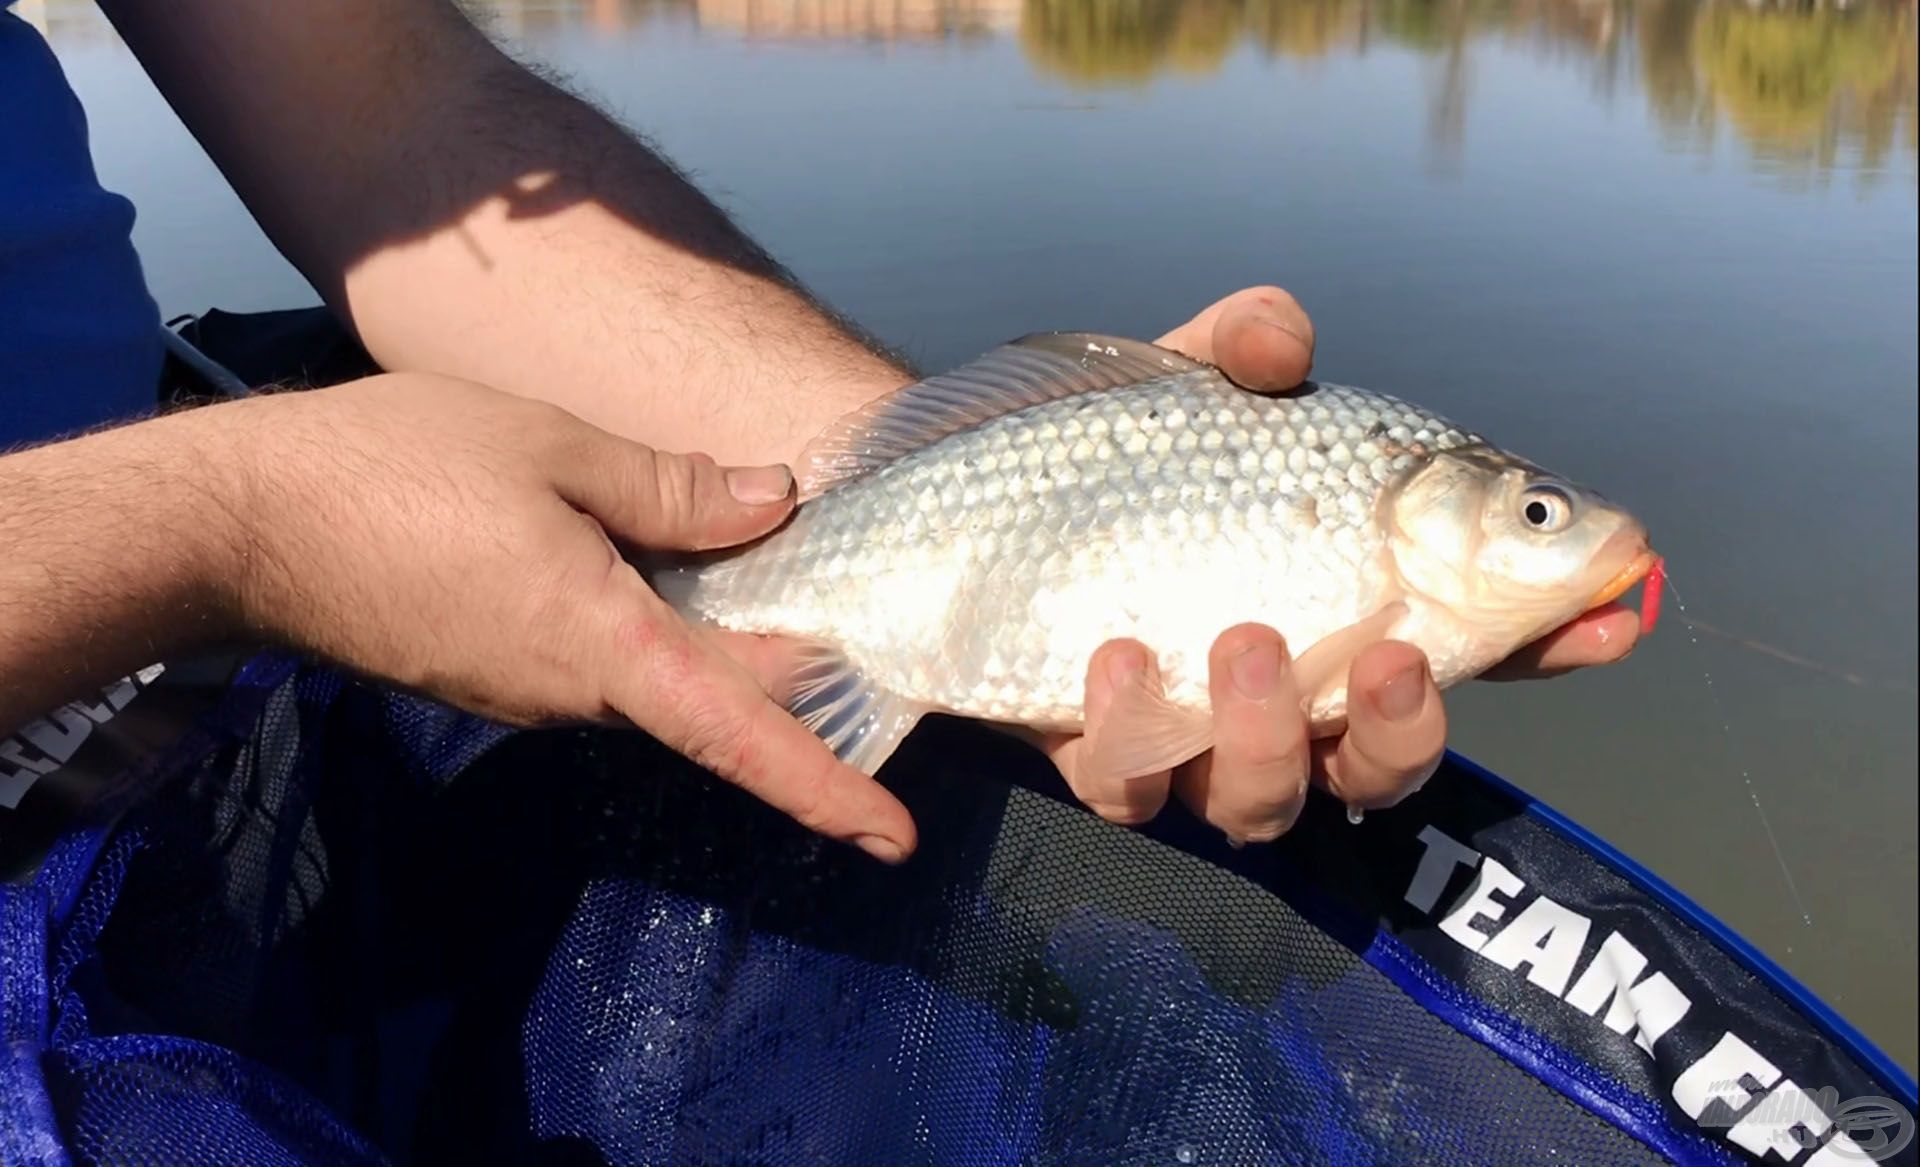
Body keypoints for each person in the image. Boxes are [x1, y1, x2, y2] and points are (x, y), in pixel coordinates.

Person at [0, 0, 1639, 866]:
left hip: (217, 676)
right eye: (1540, 516)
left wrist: (903, 478)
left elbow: (409, 134)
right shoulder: (258, 520)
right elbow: (260, 510)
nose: (1562, 529)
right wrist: (249, 521)